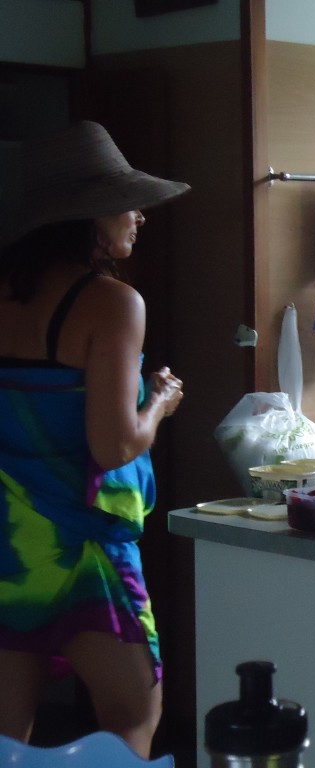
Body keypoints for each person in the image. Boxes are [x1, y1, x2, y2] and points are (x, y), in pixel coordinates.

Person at [0, 121, 190, 757]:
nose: (138, 215)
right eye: (124, 201)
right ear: (84, 215)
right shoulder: (113, 303)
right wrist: (159, 401)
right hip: (84, 547)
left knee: (5, 740)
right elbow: (114, 446)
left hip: (9, 544)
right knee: (133, 716)